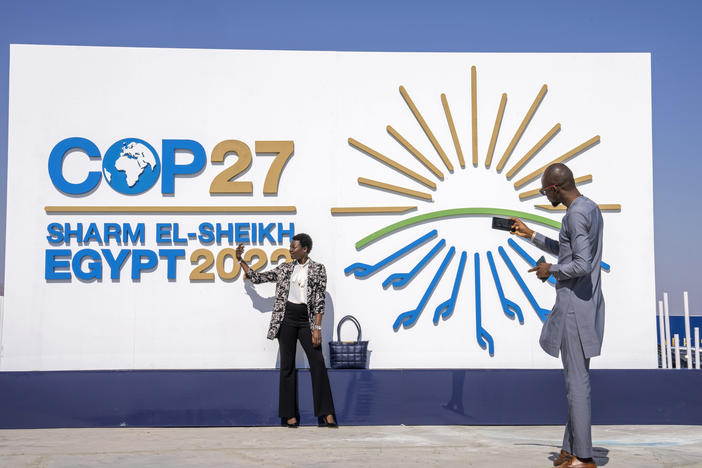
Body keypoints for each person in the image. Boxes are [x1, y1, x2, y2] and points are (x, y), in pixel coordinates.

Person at [509, 163, 604, 468]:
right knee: (576, 382)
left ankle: (584, 458)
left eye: (543, 191)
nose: (544, 195)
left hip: (574, 309)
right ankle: (570, 449)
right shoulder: (590, 208)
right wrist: (531, 235)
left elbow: (581, 264)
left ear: (554, 189)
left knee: (576, 385)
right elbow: (568, 252)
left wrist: (551, 270)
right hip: (586, 305)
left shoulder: (574, 214)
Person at [236, 233, 337, 428]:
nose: (290, 249)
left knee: (317, 363)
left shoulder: (318, 269)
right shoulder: (285, 268)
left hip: (306, 321)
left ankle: (326, 413)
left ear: (305, 249)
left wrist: (317, 328)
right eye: (290, 247)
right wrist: (240, 260)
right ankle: (289, 415)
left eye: (294, 247)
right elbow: (257, 278)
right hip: (287, 319)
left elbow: (319, 301)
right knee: (287, 367)